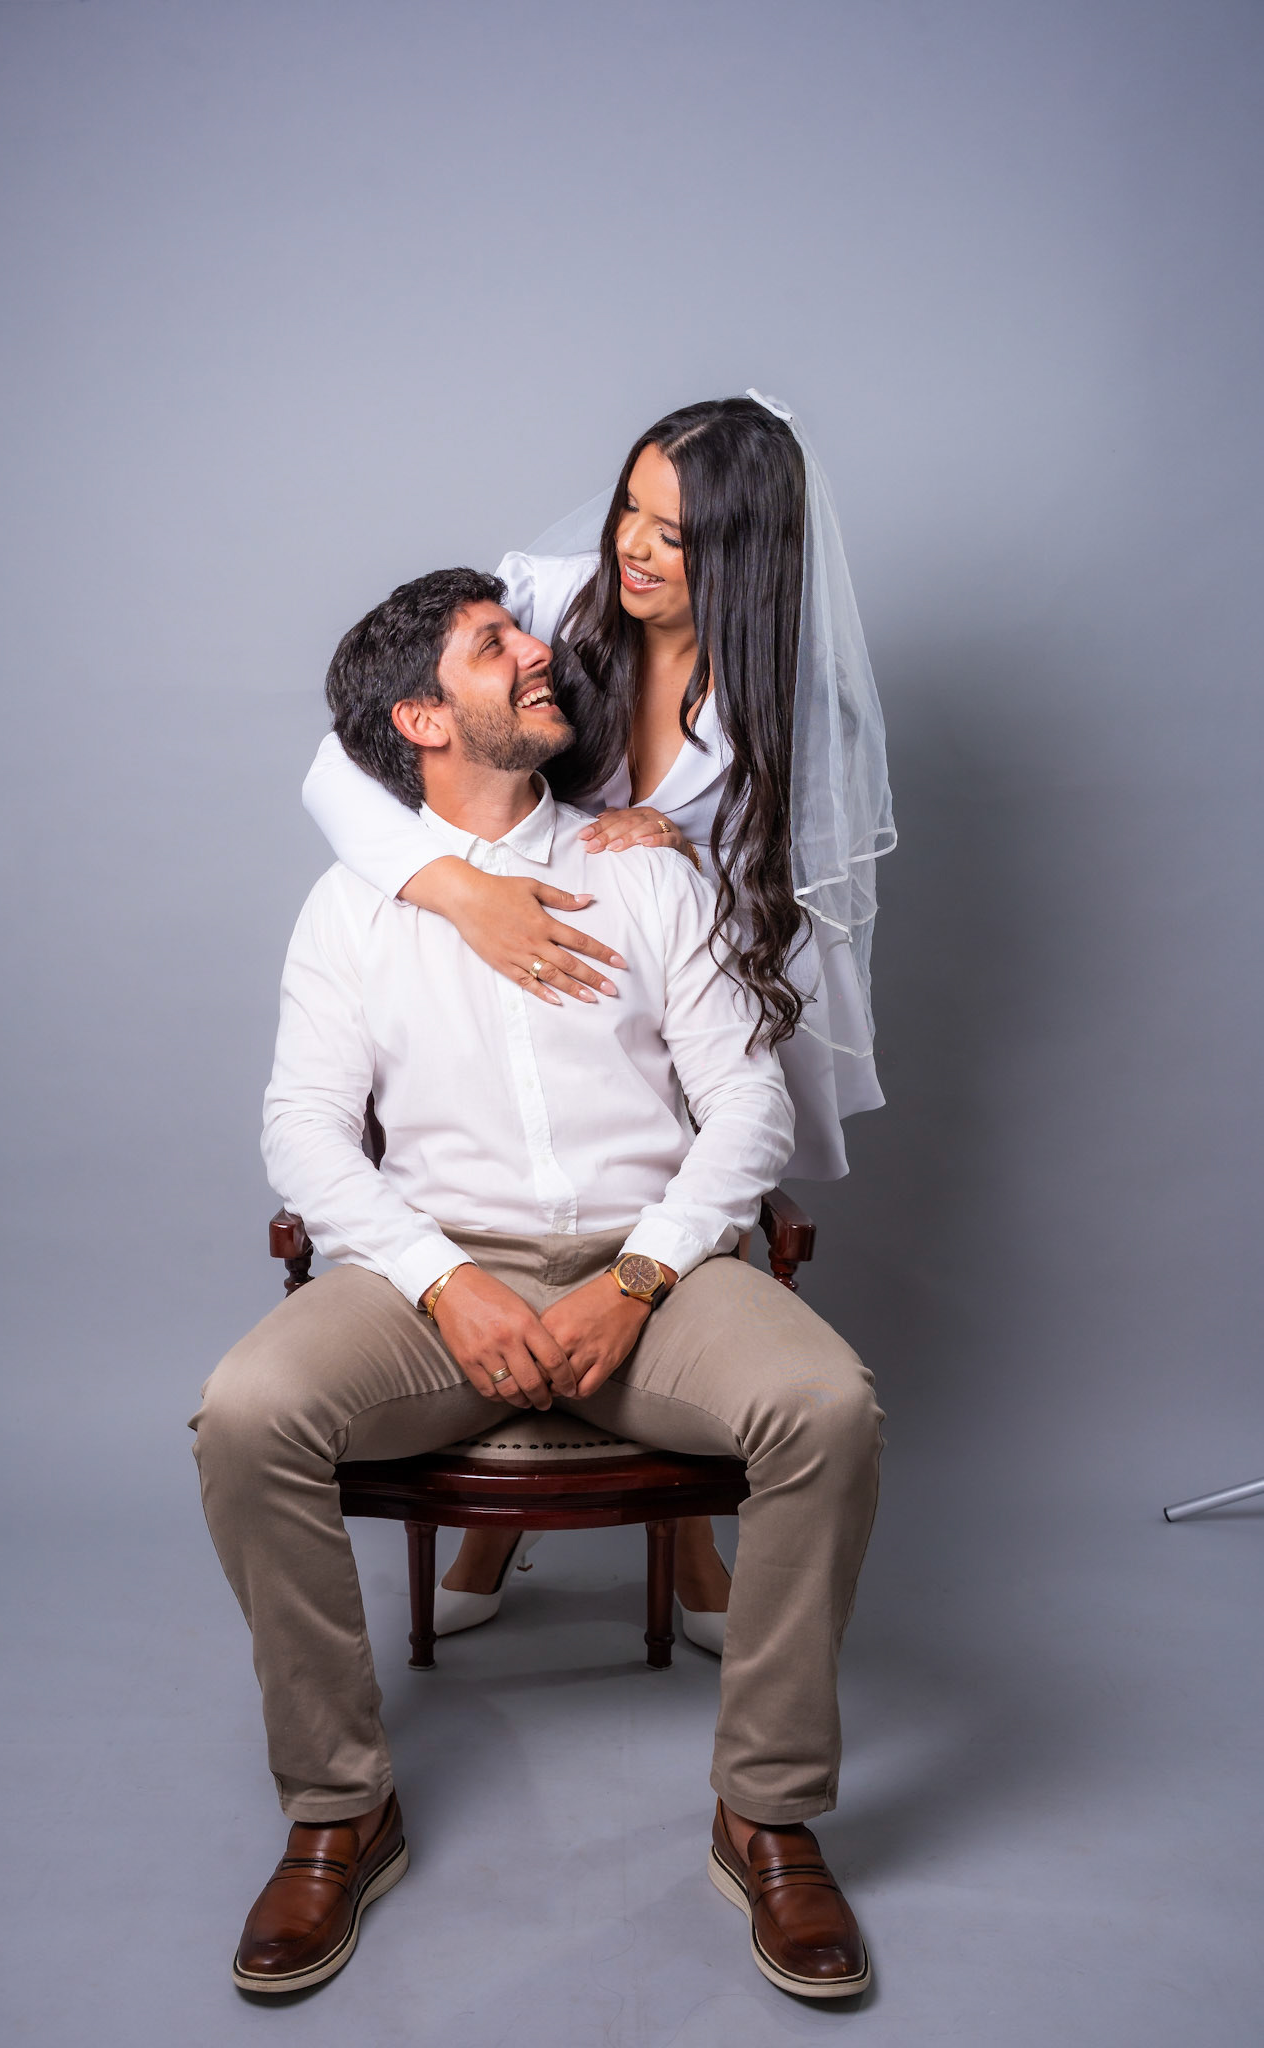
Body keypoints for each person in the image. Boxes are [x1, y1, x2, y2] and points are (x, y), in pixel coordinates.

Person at [191, 567, 883, 2000]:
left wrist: (638, 1276)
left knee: (826, 1404)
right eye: (491, 646)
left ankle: (766, 1812)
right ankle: (339, 1808)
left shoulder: (646, 867)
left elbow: (747, 1106)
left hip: (655, 1265)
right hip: (437, 1278)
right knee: (247, 1414)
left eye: (522, 631)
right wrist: (443, 1281)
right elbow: (301, 1131)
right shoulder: (353, 907)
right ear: (421, 720)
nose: (541, 654)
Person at [300, 392, 895, 1646]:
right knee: (512, 1159)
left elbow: (779, 897)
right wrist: (461, 891)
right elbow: (345, 759)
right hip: (502, 941)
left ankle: (688, 1536)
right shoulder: (550, 603)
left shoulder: (784, 699)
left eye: (674, 534)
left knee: (671, 1157)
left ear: (741, 554)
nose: (633, 544)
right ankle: (494, 1517)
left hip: (668, 969)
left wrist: (679, 851)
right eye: (631, 504)